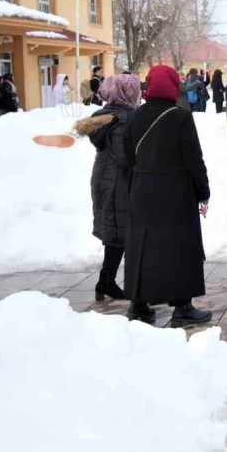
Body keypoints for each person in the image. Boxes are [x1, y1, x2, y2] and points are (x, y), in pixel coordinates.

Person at [122, 64, 212, 326]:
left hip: (141, 188)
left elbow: (127, 158)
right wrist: (203, 192)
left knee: (142, 245)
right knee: (180, 246)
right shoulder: (180, 117)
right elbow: (194, 159)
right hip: (176, 191)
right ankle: (182, 307)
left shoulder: (134, 117)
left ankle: (138, 305)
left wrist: (135, 185)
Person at [72, 74, 142, 302]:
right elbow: (126, 156)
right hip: (119, 182)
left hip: (105, 178)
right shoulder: (124, 120)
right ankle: (125, 284)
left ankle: (106, 280)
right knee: (125, 234)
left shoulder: (103, 116)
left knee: (117, 234)